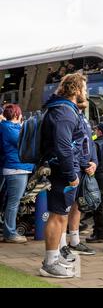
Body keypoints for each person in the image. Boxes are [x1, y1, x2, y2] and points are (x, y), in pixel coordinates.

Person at [39, 73, 87, 278]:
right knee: (57, 216)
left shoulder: (62, 109)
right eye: (84, 89)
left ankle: (55, 257)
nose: (86, 92)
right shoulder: (65, 112)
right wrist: (71, 175)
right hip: (62, 171)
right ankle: (49, 263)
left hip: (61, 170)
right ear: (75, 90)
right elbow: (64, 147)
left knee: (61, 215)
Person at [60, 99, 97, 258]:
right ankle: (60, 245)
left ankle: (74, 241)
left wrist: (94, 162)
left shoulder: (84, 119)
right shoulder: (68, 115)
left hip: (85, 169)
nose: (86, 98)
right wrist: (82, 163)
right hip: (74, 168)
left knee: (77, 206)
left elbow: (91, 143)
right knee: (63, 208)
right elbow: (68, 145)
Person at [0, 104, 34, 243]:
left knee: (12, 202)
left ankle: (10, 231)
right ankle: (10, 233)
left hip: (18, 168)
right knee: (13, 203)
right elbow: (23, 142)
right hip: (16, 168)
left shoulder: (9, 127)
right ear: (16, 115)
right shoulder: (8, 128)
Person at [86, 122, 103, 243]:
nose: (94, 132)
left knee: (98, 207)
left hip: (98, 177)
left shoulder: (96, 144)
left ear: (100, 131)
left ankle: (100, 233)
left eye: (96, 130)